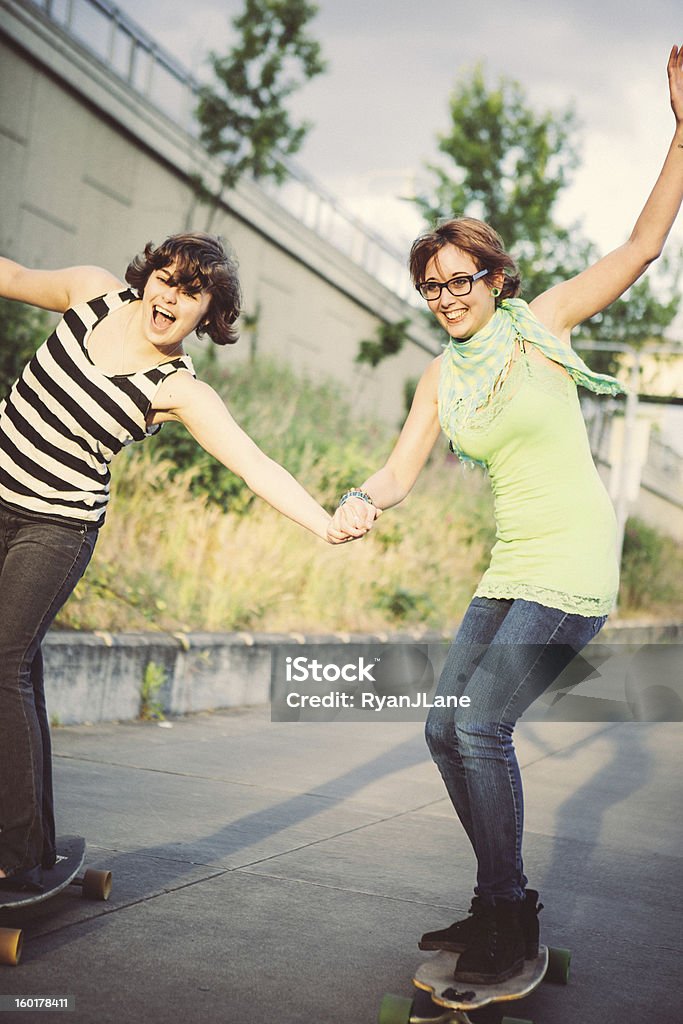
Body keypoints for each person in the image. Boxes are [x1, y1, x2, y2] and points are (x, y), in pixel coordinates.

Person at [329, 46, 683, 985]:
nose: (446, 297)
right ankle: (495, 903)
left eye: (459, 279)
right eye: (432, 285)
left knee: (481, 725)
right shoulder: (438, 376)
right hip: (508, 570)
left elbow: (643, 245)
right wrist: (362, 501)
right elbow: (401, 471)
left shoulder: (543, 327)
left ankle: (511, 917)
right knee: (445, 724)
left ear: (495, 277)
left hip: (570, 570)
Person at [0, 231, 342, 890]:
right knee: (18, 672)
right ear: (146, 274)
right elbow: (12, 274)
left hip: (57, 526)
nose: (170, 296)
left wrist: (323, 524)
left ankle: (13, 854)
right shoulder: (89, 293)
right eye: (166, 277)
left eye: (191, 292)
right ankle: (32, 839)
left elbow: (254, 465)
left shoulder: (180, 388)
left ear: (207, 314)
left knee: (3, 660)